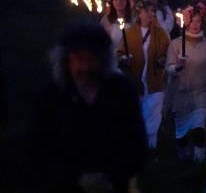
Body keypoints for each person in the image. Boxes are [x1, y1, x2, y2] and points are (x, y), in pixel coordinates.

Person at [30, 21, 146, 192]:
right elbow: (38, 149)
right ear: (65, 59)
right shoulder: (51, 95)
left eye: (92, 59)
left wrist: (110, 176)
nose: (85, 66)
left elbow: (136, 143)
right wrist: (75, 179)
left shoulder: (120, 90)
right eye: (79, 59)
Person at [166, 4, 206, 162]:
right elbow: (169, 67)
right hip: (181, 94)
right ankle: (183, 157)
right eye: (192, 21)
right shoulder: (176, 44)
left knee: (199, 127)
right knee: (182, 133)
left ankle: (200, 161)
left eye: (198, 21)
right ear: (186, 22)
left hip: (201, 94)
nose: (195, 24)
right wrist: (176, 67)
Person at [120, 0, 171, 149]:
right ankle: (135, 146)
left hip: (154, 81)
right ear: (139, 13)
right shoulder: (129, 33)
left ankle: (151, 147)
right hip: (135, 81)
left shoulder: (160, 33)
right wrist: (124, 59)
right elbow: (120, 53)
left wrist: (163, 60)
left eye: (152, 11)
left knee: (153, 115)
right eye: (147, 11)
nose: (150, 14)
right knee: (135, 114)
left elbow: (168, 53)